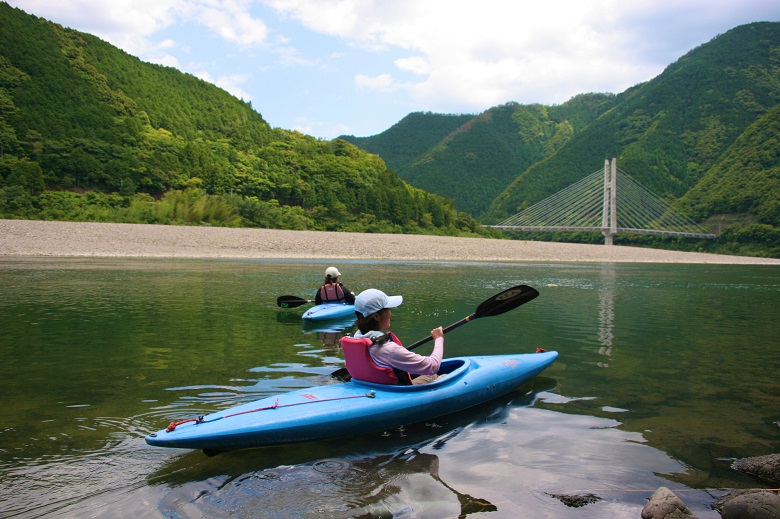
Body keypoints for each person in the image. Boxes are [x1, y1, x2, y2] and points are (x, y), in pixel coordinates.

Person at [340, 288, 444, 385]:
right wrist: (439, 338)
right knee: (436, 376)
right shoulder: (388, 349)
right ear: (376, 316)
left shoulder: (354, 339)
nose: (391, 314)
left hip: (371, 386)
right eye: (388, 309)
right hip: (395, 391)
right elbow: (432, 366)